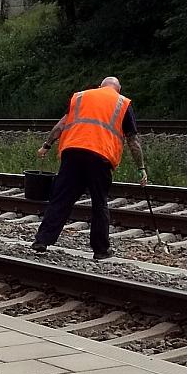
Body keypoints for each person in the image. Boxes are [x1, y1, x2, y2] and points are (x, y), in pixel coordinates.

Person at [32, 76, 147, 260]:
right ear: (118, 89)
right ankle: (101, 250)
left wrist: (46, 145)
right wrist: (141, 168)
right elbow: (133, 141)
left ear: (100, 86)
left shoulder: (81, 97)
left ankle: (42, 240)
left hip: (72, 153)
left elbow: (61, 125)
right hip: (100, 157)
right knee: (99, 203)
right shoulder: (122, 103)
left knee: (61, 198)